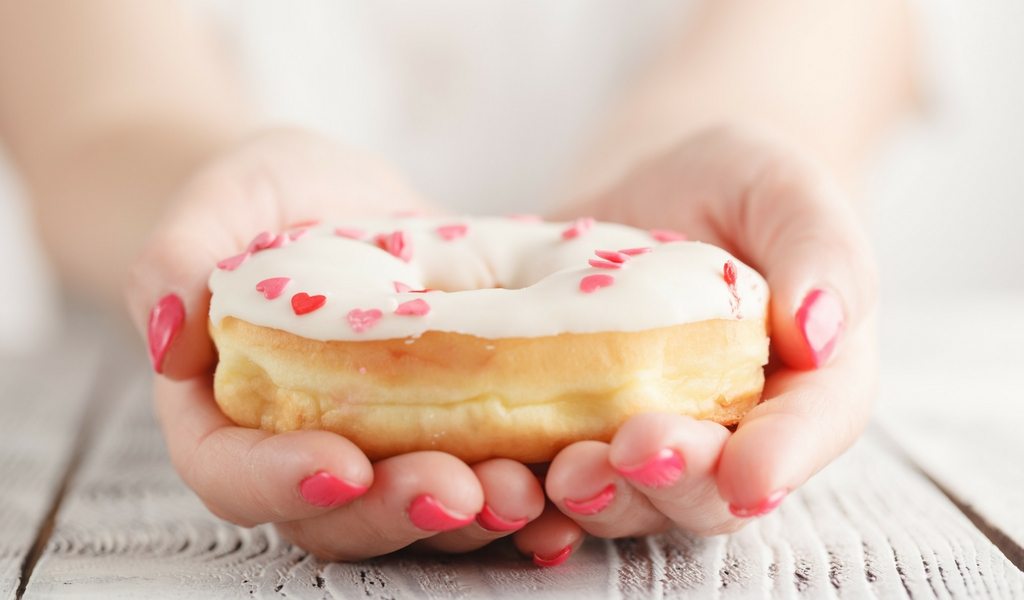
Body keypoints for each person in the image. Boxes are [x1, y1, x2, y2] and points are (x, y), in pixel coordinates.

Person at [0, 1, 913, 564]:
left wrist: (709, 168)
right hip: (104, 451)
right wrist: (205, 214)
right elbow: (95, 115)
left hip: (668, 280)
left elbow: (826, 35)